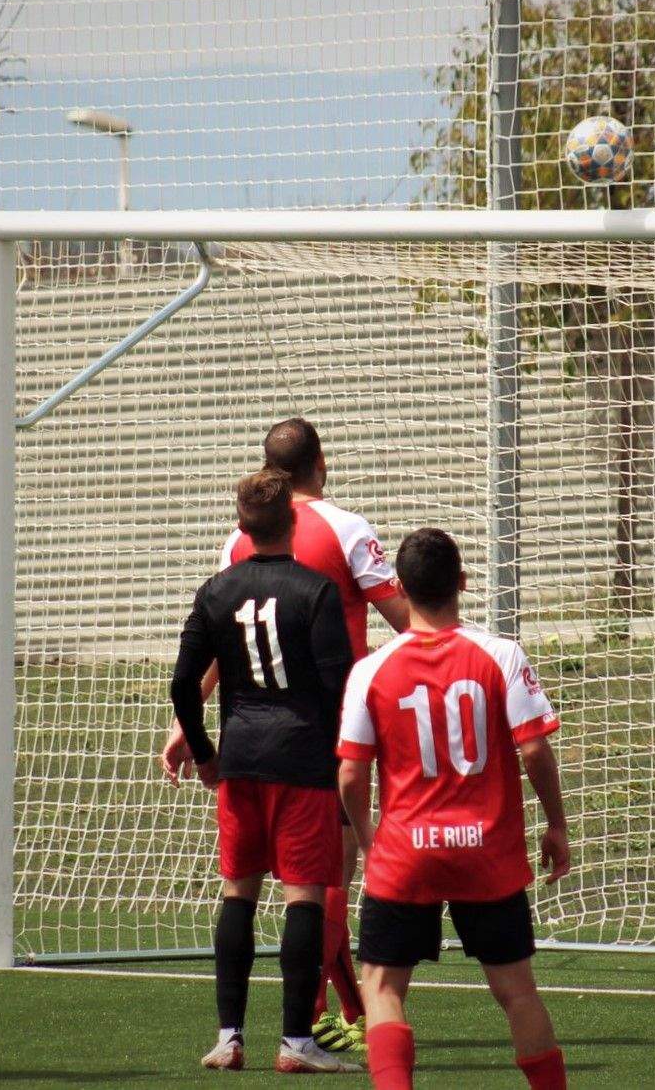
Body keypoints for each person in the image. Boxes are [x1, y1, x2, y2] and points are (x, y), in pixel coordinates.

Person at [164, 417, 410, 1052]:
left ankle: (246, 1030)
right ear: (320, 462)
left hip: (242, 742)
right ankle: (322, 1018)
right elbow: (405, 618)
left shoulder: (233, 546)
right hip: (326, 733)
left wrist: (184, 726)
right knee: (328, 872)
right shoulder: (347, 529)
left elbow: (221, 634)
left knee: (243, 886)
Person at [336, 528, 570, 1090]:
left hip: (405, 854)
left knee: (383, 987)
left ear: (403, 589)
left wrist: (371, 843)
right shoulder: (500, 654)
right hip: (486, 852)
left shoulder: (370, 670)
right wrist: (556, 824)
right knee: (516, 991)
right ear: (462, 584)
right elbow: (534, 748)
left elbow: (349, 773)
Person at [169, 468, 360, 1074]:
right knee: (302, 896)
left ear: (242, 526)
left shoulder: (216, 591)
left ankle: (228, 1038)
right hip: (303, 763)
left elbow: (182, 684)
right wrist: (342, 757)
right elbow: (340, 685)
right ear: (293, 522)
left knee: (238, 894)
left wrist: (203, 752)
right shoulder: (317, 591)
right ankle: (296, 1043)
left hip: (241, 760)